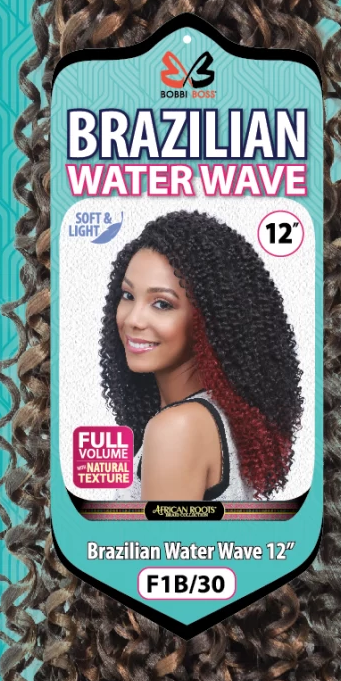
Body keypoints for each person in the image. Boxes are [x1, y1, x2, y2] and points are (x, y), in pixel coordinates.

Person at [99, 210, 303, 502]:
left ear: (210, 319)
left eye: (162, 304)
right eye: (128, 296)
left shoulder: (178, 428)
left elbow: (160, 536)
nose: (133, 319)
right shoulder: (215, 416)